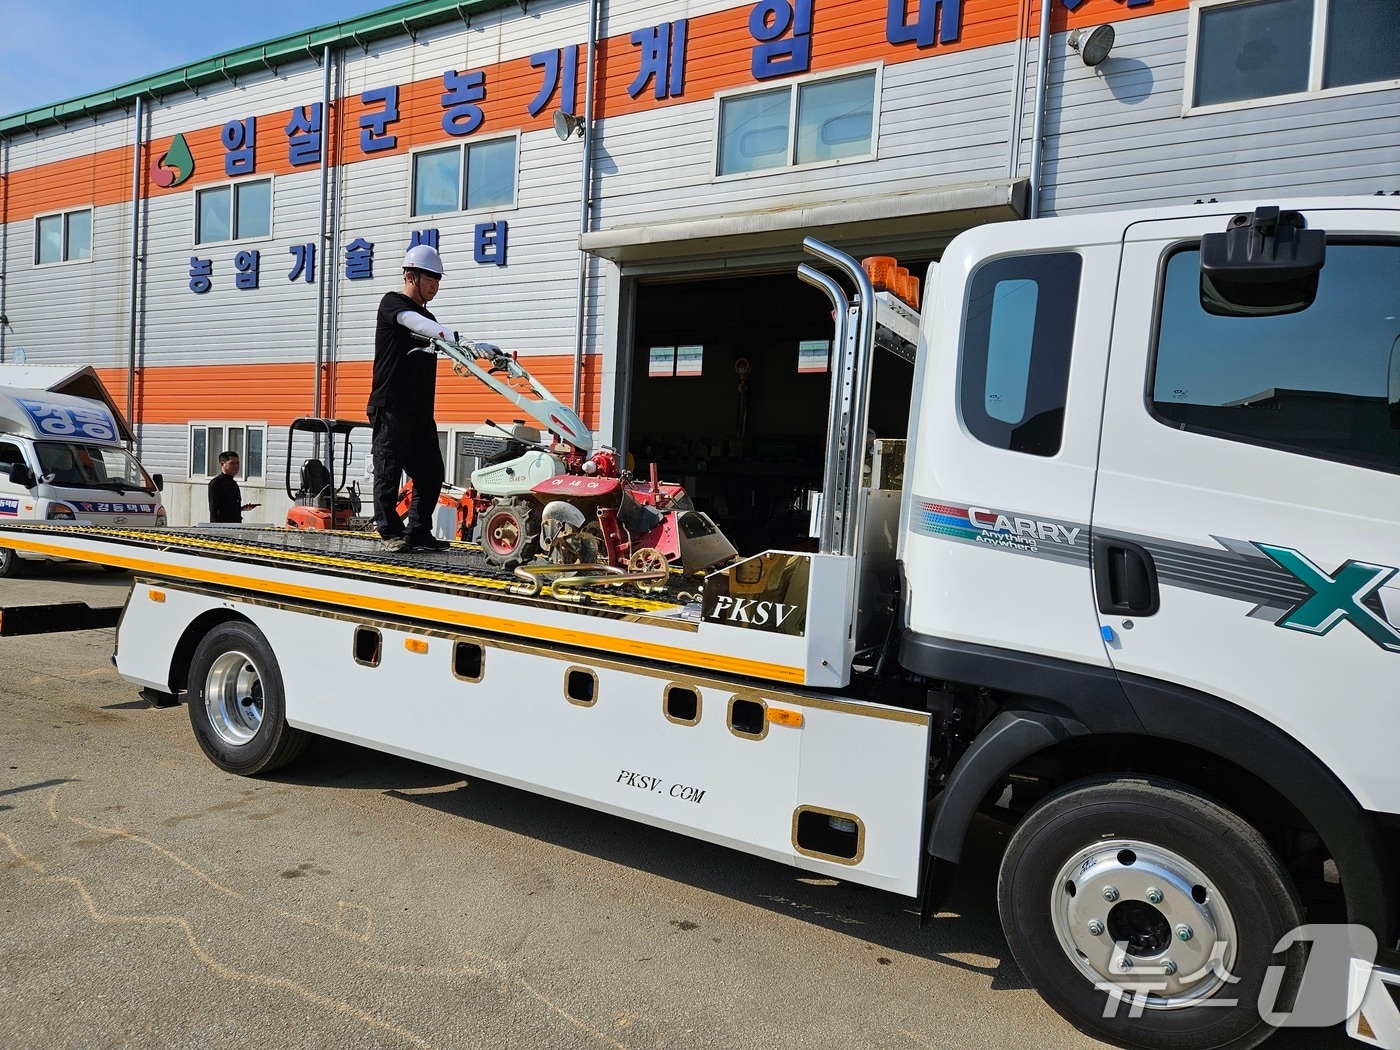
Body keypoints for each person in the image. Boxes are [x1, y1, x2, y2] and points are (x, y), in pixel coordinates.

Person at [367, 244, 464, 553]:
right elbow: (417, 324)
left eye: (438, 279)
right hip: (392, 406)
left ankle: (419, 530)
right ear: (411, 275)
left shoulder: (430, 319)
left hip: (420, 411)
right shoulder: (393, 305)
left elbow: (435, 334)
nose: (435, 285)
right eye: (430, 278)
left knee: (431, 472)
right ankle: (389, 532)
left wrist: (469, 351)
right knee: (389, 469)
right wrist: (450, 335)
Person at [208, 450, 257, 523]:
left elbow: (229, 508)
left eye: (237, 463)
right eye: (232, 463)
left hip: (236, 526)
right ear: (222, 464)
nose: (236, 466)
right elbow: (214, 510)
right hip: (223, 528)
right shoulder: (216, 483)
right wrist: (215, 529)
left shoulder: (233, 482)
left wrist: (242, 508)